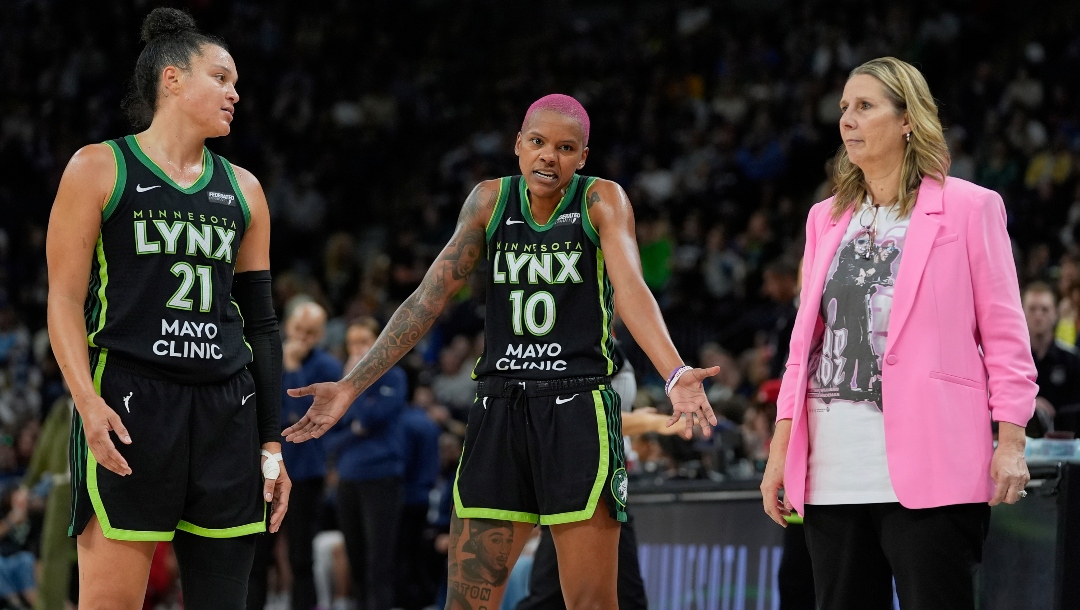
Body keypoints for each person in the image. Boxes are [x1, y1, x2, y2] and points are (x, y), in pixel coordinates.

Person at [284, 94, 718, 609]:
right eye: (537, 142)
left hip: (577, 407)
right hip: (499, 407)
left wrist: (674, 372)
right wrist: (352, 384)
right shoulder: (490, 201)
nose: (548, 157)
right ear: (517, 145)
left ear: (582, 157)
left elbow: (631, 289)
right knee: (465, 604)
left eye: (565, 147)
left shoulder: (602, 199)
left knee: (592, 603)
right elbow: (428, 298)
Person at [760, 57, 1036, 610]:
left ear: (908, 119)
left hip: (935, 468)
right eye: (843, 108)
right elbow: (803, 347)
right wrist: (780, 450)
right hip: (832, 471)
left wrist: (1011, 443)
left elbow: (1006, 336)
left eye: (865, 106)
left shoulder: (970, 208)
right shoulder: (825, 218)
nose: (847, 120)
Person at [45, 8, 290, 609]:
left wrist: (272, 445)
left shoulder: (245, 189)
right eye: (222, 78)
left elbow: (260, 324)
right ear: (173, 79)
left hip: (226, 411)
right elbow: (64, 300)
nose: (236, 92)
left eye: (236, 83)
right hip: (130, 403)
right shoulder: (100, 167)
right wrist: (86, 401)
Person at [249, 301, 339, 610]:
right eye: (299, 330)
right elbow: (266, 412)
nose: (303, 337)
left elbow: (301, 416)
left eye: (311, 332)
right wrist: (284, 367)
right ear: (287, 327)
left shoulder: (328, 368)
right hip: (266, 470)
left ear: (322, 334)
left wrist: (294, 370)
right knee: (257, 558)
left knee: (302, 558)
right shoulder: (267, 358)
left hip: (306, 472)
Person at [322, 317, 408, 610]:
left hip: (382, 476)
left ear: (377, 344)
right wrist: (355, 429)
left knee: (379, 560)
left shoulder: (394, 377)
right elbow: (330, 435)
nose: (357, 349)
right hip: (348, 476)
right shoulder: (339, 385)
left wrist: (355, 389)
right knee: (355, 555)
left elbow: (371, 418)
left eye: (364, 342)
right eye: (352, 343)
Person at [1022, 282, 1080, 435]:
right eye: (1032, 309)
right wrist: (1029, 404)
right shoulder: (1010, 361)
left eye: (1045, 309)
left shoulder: (1072, 360)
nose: (1038, 316)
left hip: (1066, 446)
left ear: (1056, 313)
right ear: (1021, 313)